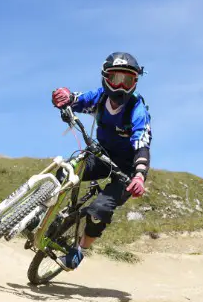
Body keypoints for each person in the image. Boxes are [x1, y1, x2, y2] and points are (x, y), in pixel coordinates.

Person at [50, 51, 152, 271]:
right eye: (116, 79)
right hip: (101, 156)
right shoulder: (99, 97)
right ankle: (40, 210)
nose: (121, 87)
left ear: (135, 82)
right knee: (68, 169)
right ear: (105, 77)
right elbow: (75, 100)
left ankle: (79, 251)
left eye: (128, 81)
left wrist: (140, 175)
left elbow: (142, 145)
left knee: (100, 211)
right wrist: (63, 96)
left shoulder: (138, 110)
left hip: (126, 170)